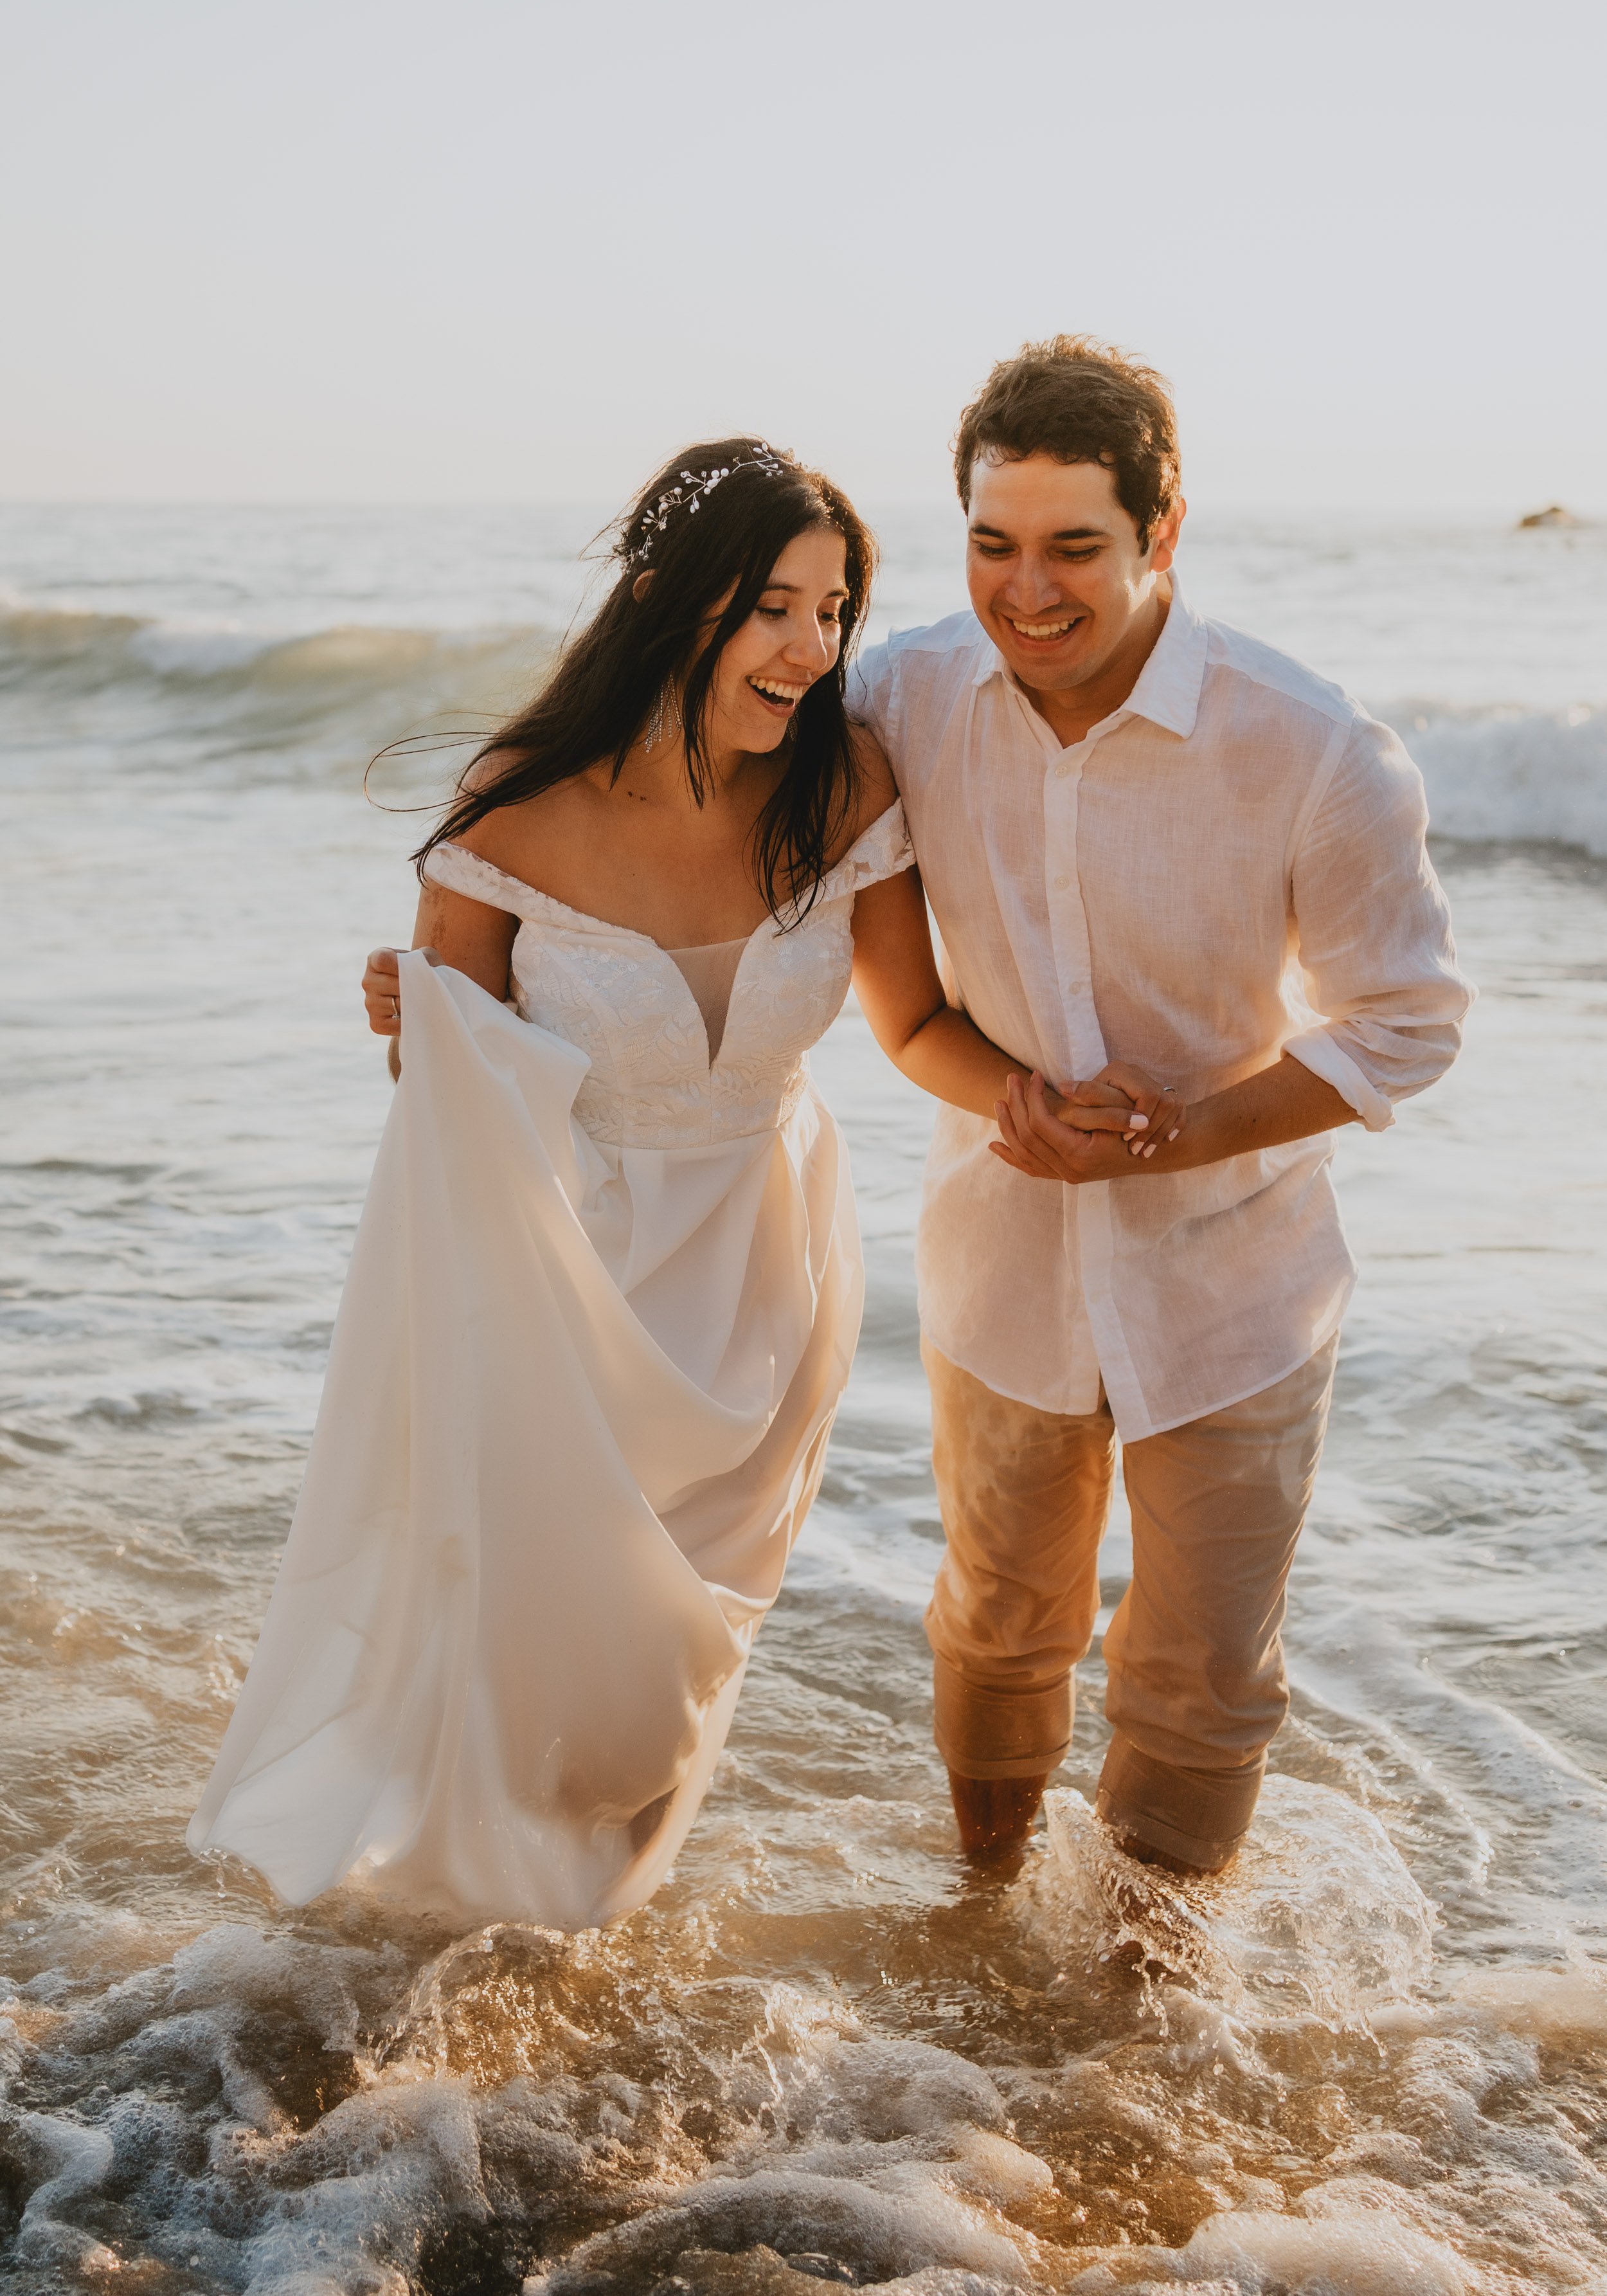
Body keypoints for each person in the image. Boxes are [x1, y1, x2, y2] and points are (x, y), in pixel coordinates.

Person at [187, 438, 1178, 1930]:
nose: (809, 650)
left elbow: (913, 1023)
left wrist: (1025, 1101)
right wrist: (418, 1019)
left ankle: (578, 1931)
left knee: (672, 1672)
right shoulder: (515, 808)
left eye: (831, 612)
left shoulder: (844, 785)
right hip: (566, 1279)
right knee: (547, 1644)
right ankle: (480, 1940)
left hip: (769, 1275)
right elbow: (441, 1099)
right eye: (772, 608)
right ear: (668, 599)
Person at [850, 338, 1471, 1875]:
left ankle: (1143, 2003)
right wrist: (466, 949)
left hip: (1233, 1288)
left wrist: (1178, 1135)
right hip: (997, 1261)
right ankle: (983, 1938)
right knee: (996, 1628)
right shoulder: (897, 698)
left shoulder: (1311, 747)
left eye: (1073, 547)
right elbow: (698, 804)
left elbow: (1404, 1022)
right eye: (992, 544)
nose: (1025, 592)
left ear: (1162, 529)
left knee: (1201, 1687)